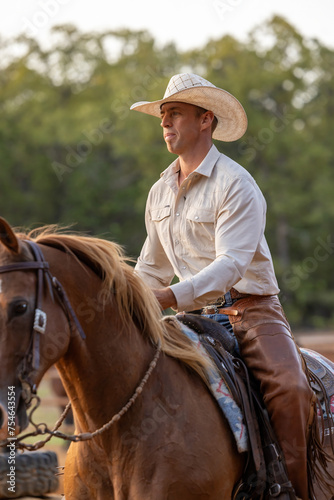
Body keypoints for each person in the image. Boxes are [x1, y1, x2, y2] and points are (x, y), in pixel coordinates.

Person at [130, 73, 316, 499]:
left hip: (250, 311)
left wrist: (167, 296)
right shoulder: (159, 192)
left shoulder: (237, 184)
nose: (165, 124)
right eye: (162, 116)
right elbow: (150, 268)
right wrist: (127, 298)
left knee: (290, 388)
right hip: (189, 319)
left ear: (205, 120)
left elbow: (231, 264)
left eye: (174, 114)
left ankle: (290, 490)